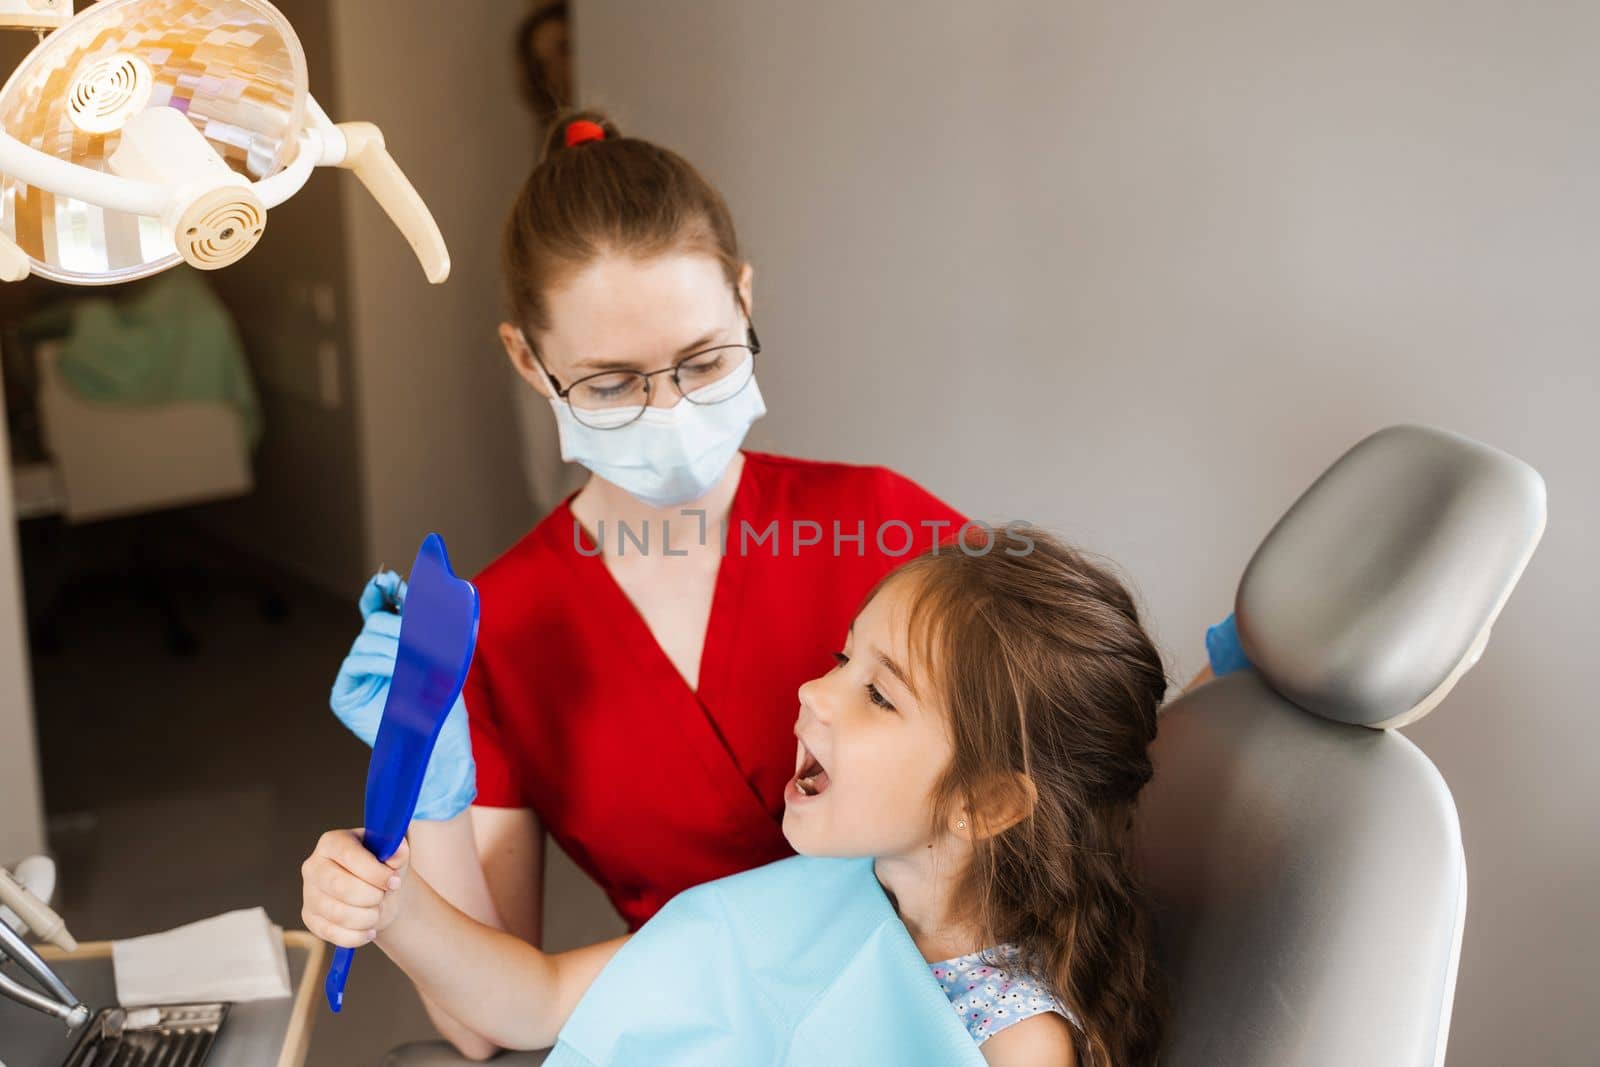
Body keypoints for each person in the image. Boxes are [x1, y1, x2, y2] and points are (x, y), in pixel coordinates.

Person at [328, 109, 1239, 1060]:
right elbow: (494, 1015)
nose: (669, 411)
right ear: (529, 360)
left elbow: (1054, 748)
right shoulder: (501, 625)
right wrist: (418, 778)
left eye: (704, 360)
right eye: (611, 384)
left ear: (745, 300)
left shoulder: (891, 534)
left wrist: (1227, 690)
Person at [306, 528, 1168, 1065]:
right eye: (841, 658)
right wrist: (389, 900)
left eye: (879, 694)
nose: (813, 693)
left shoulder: (1011, 1043)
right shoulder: (809, 899)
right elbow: (533, 999)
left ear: (985, 803)